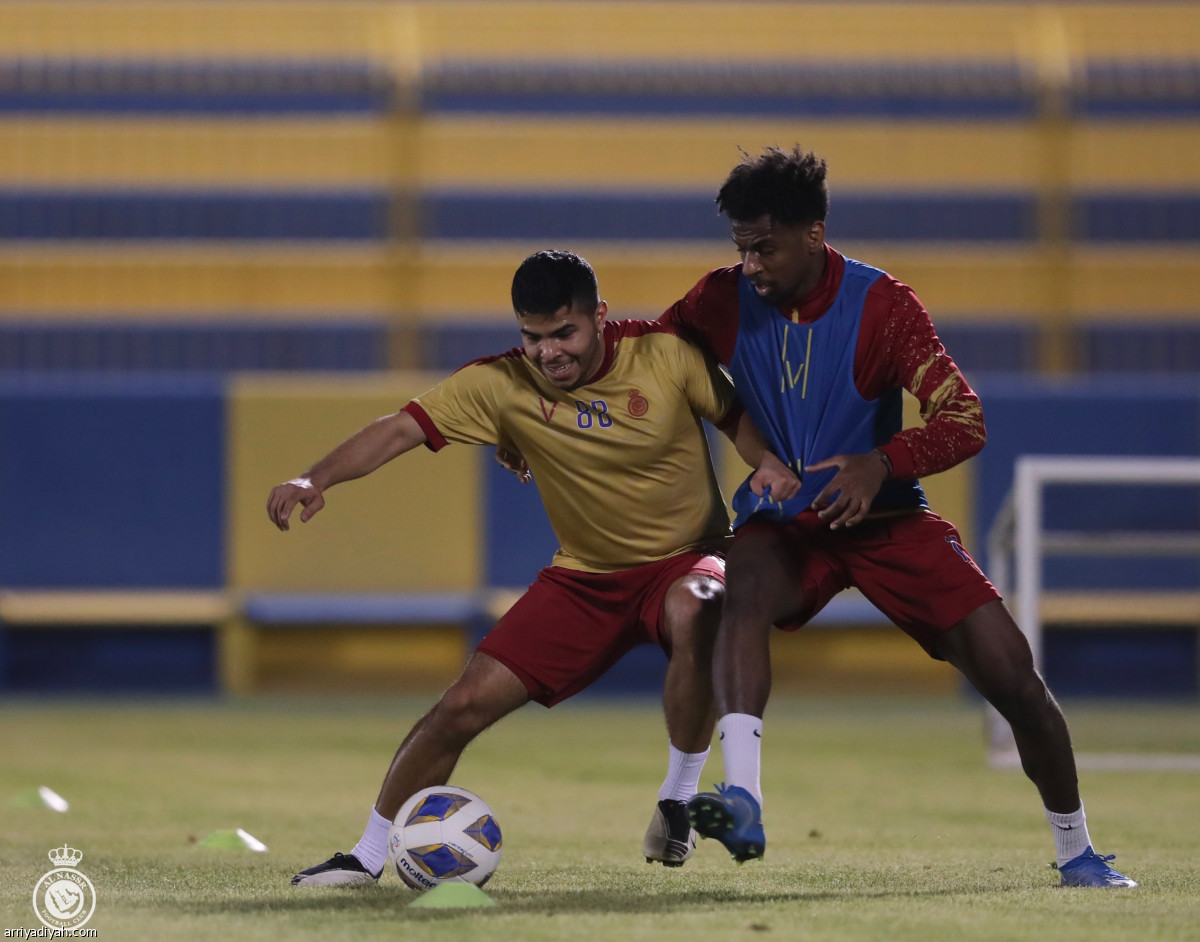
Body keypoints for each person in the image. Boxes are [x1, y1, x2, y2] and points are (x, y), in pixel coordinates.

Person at [656, 146, 1136, 888]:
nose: (750, 264)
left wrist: (882, 461)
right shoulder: (716, 300)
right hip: (785, 524)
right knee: (732, 589)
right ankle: (742, 796)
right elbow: (653, 367)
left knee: (1013, 675)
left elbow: (964, 418)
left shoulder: (885, 305)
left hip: (886, 522)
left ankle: (1077, 851)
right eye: (741, 248)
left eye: (765, 247)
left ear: (814, 234)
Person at [268, 249, 799, 885]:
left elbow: (737, 420)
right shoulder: (501, 383)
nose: (549, 352)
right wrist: (314, 475)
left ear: (599, 317)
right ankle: (367, 855)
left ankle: (677, 800)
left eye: (564, 333)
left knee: (701, 604)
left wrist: (764, 461)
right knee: (460, 707)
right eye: (533, 337)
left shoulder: (666, 354)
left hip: (686, 559)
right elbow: (398, 430)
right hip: (584, 580)